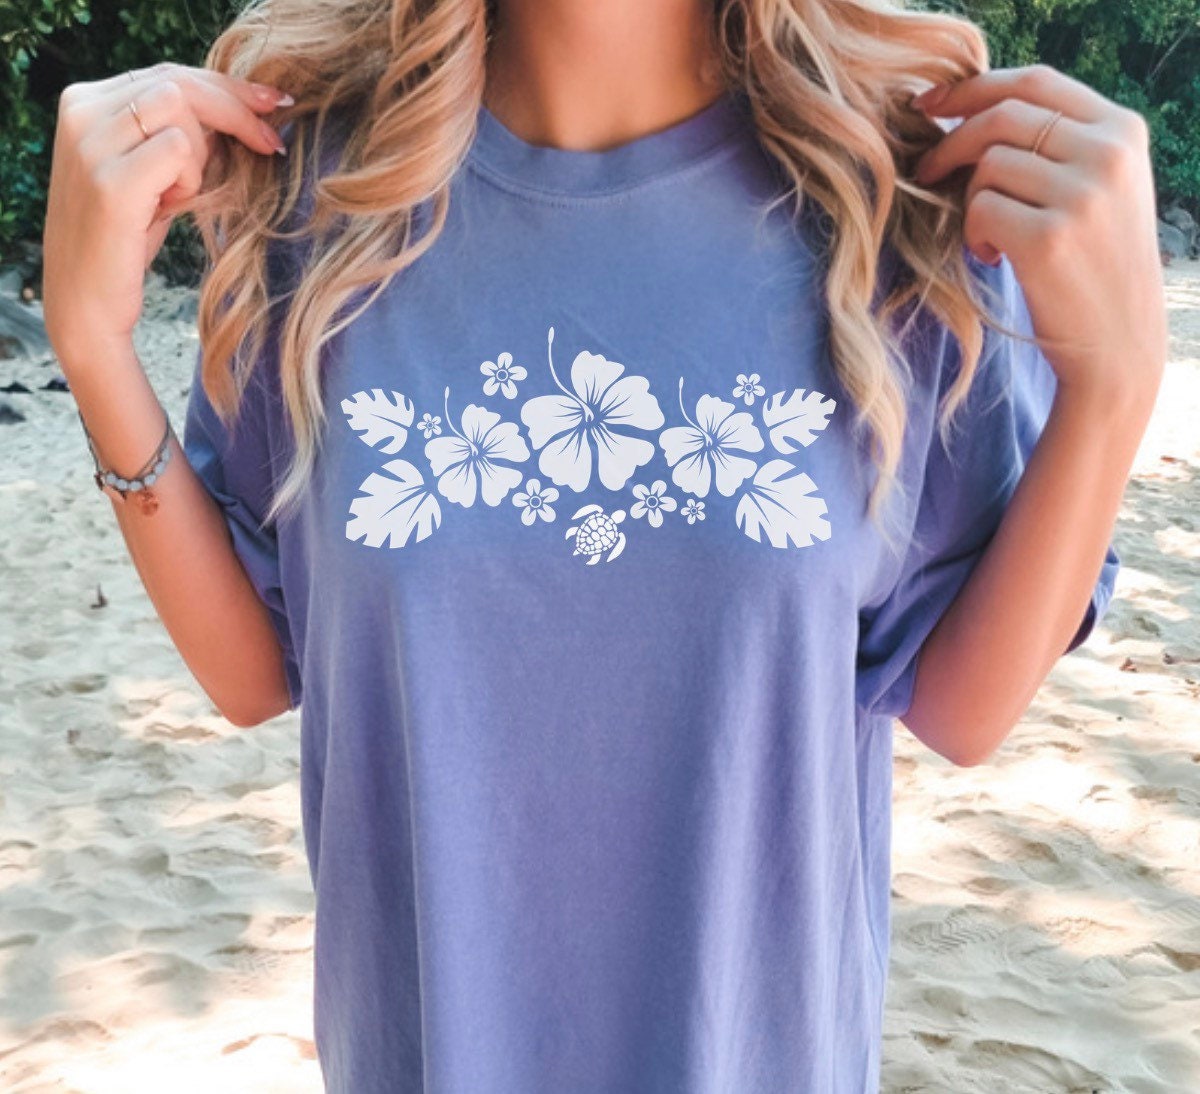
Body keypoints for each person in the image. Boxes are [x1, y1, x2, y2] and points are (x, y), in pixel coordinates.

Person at [42, 0, 1164, 1089]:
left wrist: (1113, 390)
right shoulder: (321, 200)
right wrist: (94, 346)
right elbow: (253, 670)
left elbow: (964, 708)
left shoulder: (890, 199)